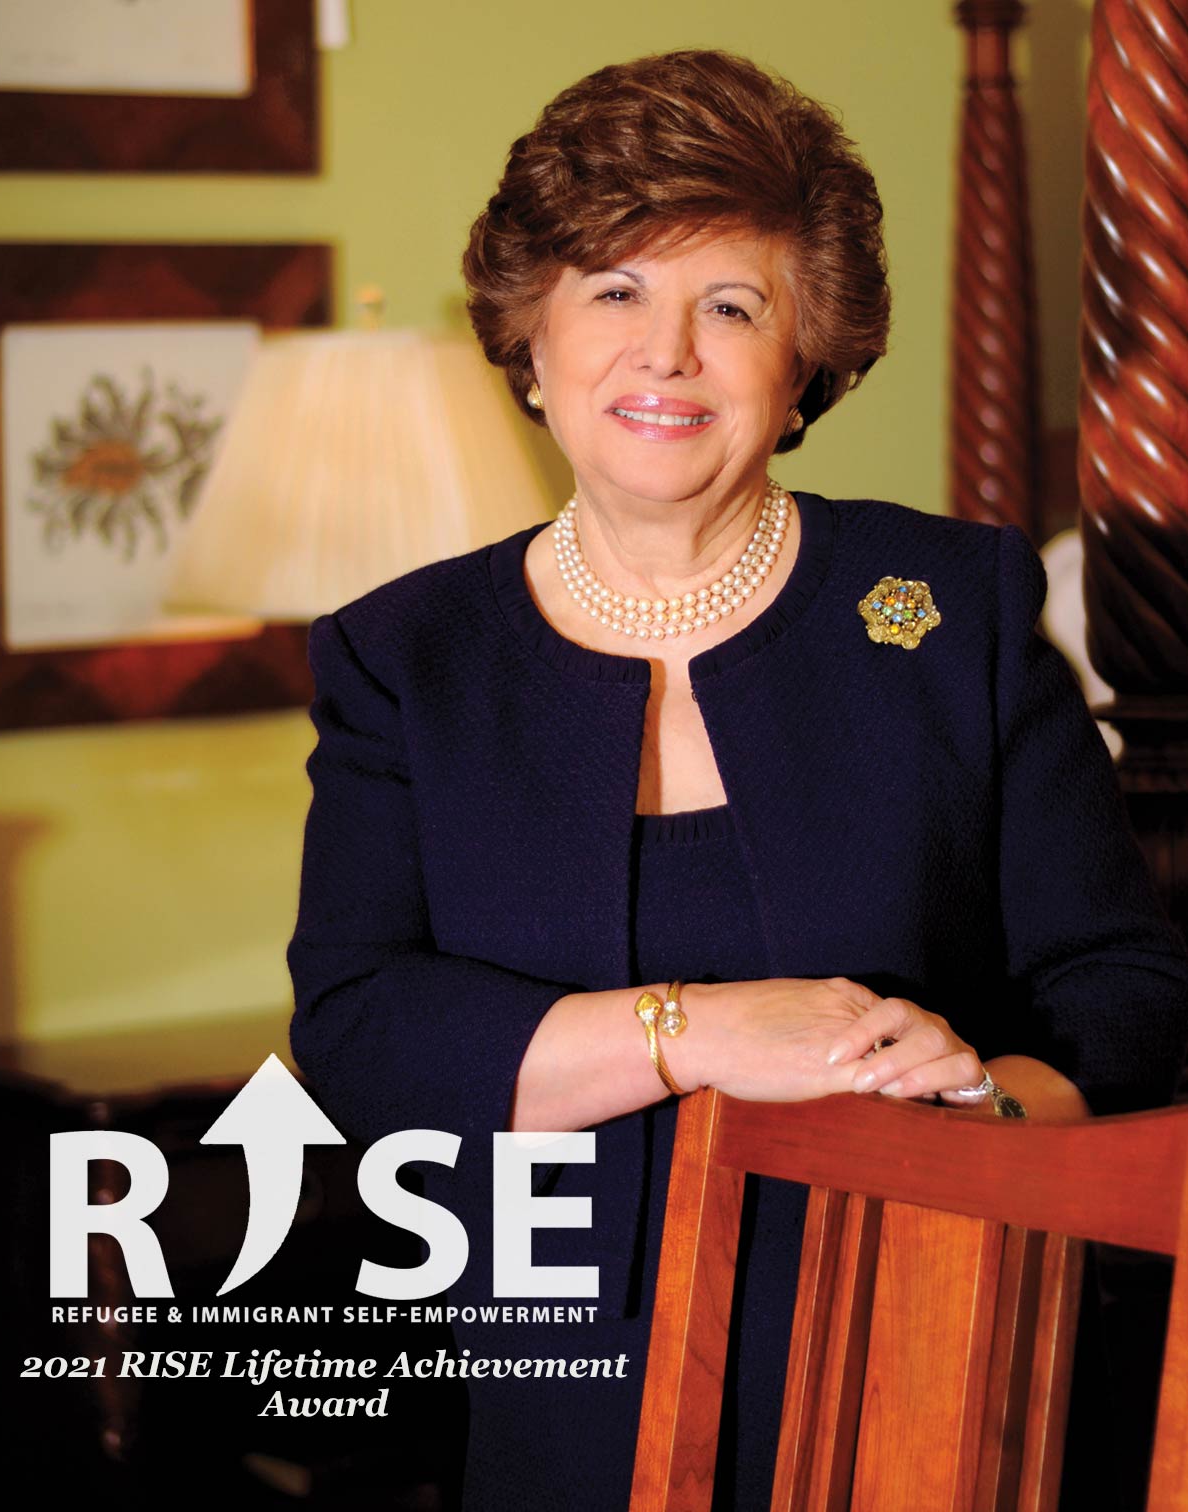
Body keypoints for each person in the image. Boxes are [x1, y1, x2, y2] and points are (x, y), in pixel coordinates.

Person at [287, 49, 1188, 1510]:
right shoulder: (409, 656)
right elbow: (360, 1027)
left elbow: (1120, 979)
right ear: (530, 336)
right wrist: (700, 1033)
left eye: (730, 305)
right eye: (615, 293)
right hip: (567, 1392)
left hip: (938, 1364)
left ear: (804, 360)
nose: (667, 355)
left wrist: (989, 1121)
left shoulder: (936, 604)